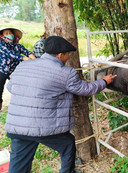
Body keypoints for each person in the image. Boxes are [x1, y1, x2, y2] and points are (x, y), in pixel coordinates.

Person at [5, 36, 116, 173]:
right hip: (41, 127)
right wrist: (104, 82)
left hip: (17, 126)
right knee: (68, 144)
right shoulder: (65, 72)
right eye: (67, 54)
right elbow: (85, 89)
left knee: (18, 164)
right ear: (60, 55)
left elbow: (11, 87)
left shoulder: (23, 65)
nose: (68, 57)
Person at [0, 27, 36, 110]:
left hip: (14, 71)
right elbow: (11, 54)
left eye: (10, 33)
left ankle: (22, 106)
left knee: (20, 87)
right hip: (2, 71)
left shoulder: (18, 46)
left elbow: (28, 53)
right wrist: (24, 58)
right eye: (6, 34)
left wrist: (34, 60)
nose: (9, 35)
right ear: (2, 36)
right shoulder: (1, 45)